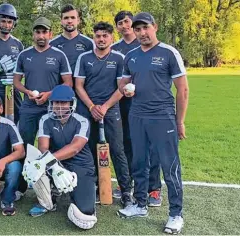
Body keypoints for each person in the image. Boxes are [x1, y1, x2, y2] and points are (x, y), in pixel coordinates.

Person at [117, 12, 189, 234]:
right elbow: (123, 81)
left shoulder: (168, 53)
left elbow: (183, 89)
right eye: (137, 29)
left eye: (145, 28)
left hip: (162, 116)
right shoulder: (131, 55)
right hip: (137, 116)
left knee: (169, 165)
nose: (141, 33)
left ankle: (176, 214)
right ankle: (140, 204)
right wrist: (125, 89)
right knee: (139, 162)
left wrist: (180, 121)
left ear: (154, 27)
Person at [74, 22, 133, 207]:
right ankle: (96, 188)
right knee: (89, 150)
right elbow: (78, 86)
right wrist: (92, 107)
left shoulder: (119, 58)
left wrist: (105, 107)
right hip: (87, 109)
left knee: (117, 150)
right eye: (98, 36)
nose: (101, 39)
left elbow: (121, 88)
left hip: (110, 110)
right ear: (94, 38)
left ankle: (125, 192)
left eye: (105, 36)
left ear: (111, 38)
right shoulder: (84, 58)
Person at [22, 85, 97, 229]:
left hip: (80, 165)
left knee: (85, 215)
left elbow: (75, 148)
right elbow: (43, 148)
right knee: (33, 161)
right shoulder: (45, 119)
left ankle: (79, 192)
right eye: (56, 102)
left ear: (71, 103)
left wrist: (48, 161)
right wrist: (55, 167)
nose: (59, 106)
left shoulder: (82, 121)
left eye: (63, 102)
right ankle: (47, 202)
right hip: (55, 162)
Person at [13, 16, 72, 196]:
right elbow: (16, 81)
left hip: (52, 109)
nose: (41, 35)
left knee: (52, 146)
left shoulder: (59, 55)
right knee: (24, 145)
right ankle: (21, 187)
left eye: (44, 32)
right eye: (37, 32)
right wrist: (28, 91)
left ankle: (54, 186)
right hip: (29, 108)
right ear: (33, 34)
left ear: (50, 34)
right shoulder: (24, 55)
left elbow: (68, 82)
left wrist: (49, 95)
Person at [111, 11, 162, 207]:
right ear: (117, 27)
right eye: (120, 23)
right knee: (128, 144)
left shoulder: (146, 43)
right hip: (123, 104)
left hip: (148, 104)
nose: (124, 26)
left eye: (126, 22)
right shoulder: (115, 48)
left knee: (151, 145)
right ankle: (129, 183)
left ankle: (154, 188)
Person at [50, 4, 94, 84]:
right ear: (61, 21)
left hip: (83, 91)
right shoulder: (52, 44)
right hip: (59, 90)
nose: (69, 21)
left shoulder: (89, 43)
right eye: (66, 18)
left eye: (73, 17)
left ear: (78, 20)